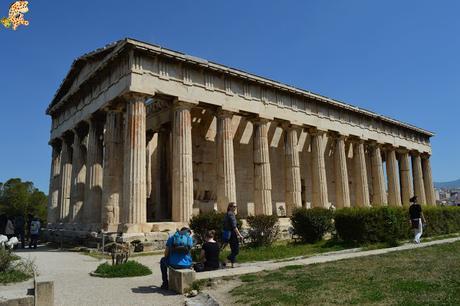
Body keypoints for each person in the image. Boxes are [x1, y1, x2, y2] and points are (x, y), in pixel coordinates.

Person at [223, 202, 243, 268]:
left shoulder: (227, 214)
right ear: (230, 207)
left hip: (228, 233)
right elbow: (234, 226)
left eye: (235, 206)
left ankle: (233, 264)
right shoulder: (231, 214)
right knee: (236, 251)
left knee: (233, 249)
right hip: (232, 234)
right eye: (234, 206)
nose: (235, 208)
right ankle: (226, 260)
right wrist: (239, 235)